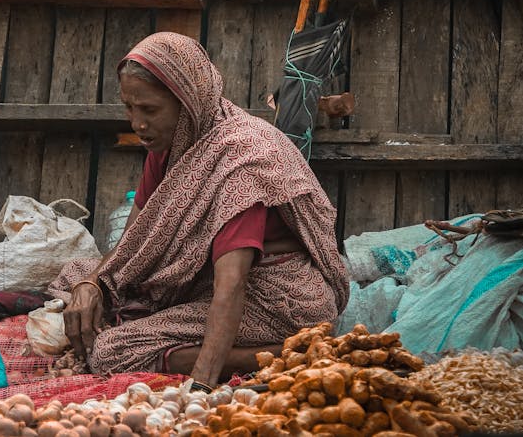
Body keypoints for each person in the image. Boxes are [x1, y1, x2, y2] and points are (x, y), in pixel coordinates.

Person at [51, 32, 349, 388]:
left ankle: (291, 351)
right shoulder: (172, 142)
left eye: (149, 110)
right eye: (129, 108)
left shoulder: (241, 160)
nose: (137, 124)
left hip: (279, 297)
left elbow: (232, 284)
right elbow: (132, 245)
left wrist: (200, 388)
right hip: (204, 280)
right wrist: (93, 284)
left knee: (112, 350)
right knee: (76, 277)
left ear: (187, 102)